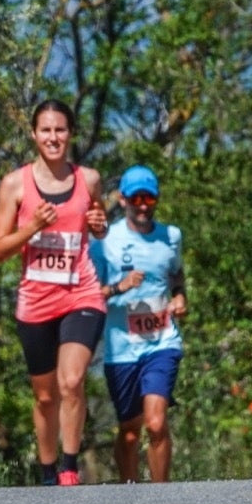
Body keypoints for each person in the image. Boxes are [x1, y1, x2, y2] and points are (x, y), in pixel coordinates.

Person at [0, 100, 108, 486]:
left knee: (71, 381)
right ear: (34, 134)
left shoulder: (88, 179)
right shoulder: (15, 184)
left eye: (60, 130)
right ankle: (47, 471)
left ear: (70, 133)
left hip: (82, 293)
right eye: (46, 130)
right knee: (45, 397)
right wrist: (33, 227)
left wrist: (100, 224)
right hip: (36, 300)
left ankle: (70, 469)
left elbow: (98, 224)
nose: (53, 137)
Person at [91, 166, 186, 483]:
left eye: (150, 198)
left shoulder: (171, 237)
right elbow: (90, 294)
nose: (144, 205)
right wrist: (121, 286)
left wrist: (180, 297)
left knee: (156, 423)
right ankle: (129, 494)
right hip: (121, 350)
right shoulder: (106, 241)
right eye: (136, 198)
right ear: (123, 200)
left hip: (162, 343)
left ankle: (160, 498)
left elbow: (176, 274)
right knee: (130, 431)